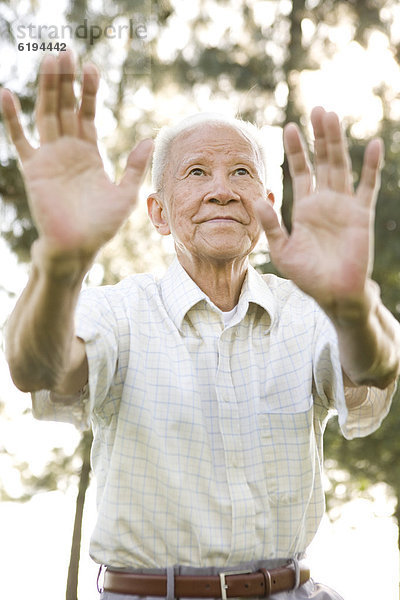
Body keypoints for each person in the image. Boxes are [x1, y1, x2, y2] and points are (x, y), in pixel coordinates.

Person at [2, 50, 400, 600]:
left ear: (267, 203)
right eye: (196, 173)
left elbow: (372, 369)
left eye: (241, 172)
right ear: (159, 213)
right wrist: (60, 264)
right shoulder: (117, 310)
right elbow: (39, 366)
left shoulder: (310, 310)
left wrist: (353, 303)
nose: (222, 190)